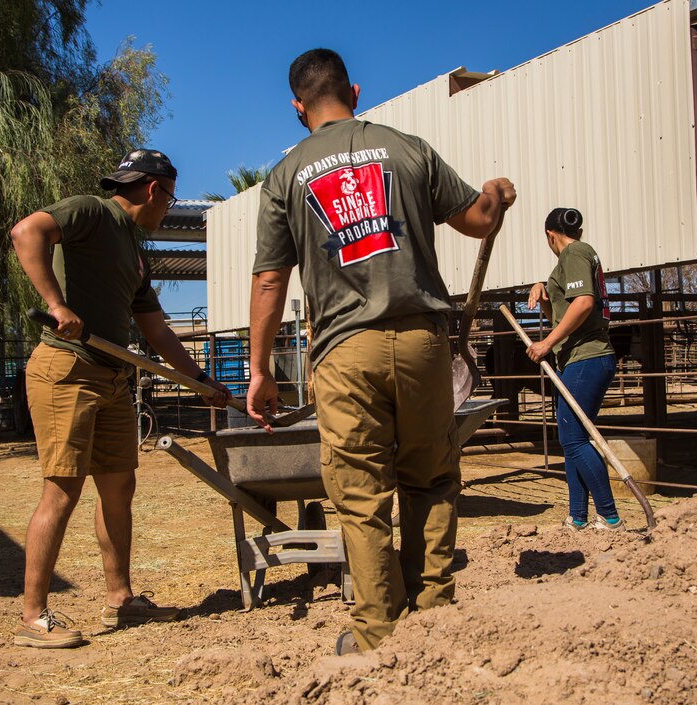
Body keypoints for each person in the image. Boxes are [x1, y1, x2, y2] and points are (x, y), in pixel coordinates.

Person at [247, 49, 515, 655]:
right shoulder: (408, 149)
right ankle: (435, 616)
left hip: (343, 353)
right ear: (355, 92)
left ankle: (374, 636)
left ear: (298, 107)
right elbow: (476, 218)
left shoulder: (286, 176)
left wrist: (261, 369)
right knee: (432, 479)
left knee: (362, 498)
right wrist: (495, 192)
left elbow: (270, 280)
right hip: (423, 343)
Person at [9, 149, 232, 648]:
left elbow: (158, 332)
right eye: (169, 199)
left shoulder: (135, 249)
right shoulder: (91, 211)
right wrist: (57, 304)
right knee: (62, 489)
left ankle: (121, 600)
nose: (166, 209)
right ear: (155, 190)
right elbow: (26, 232)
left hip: (111, 377)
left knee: (118, 486)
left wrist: (201, 380)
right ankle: (33, 617)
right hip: (66, 368)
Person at [526, 207, 621, 531]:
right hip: (578, 358)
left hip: (587, 357)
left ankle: (608, 515)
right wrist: (543, 291)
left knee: (574, 439)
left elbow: (583, 302)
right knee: (572, 439)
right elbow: (565, 308)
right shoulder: (574, 257)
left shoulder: (575, 253)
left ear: (549, 234)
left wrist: (546, 343)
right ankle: (577, 516)